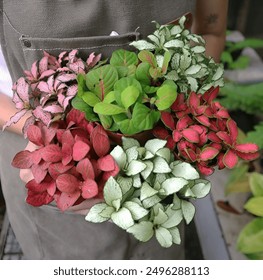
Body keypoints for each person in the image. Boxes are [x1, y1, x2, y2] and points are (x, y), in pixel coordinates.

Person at [0, 0, 229, 259]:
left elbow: (212, 31)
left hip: (162, 177)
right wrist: (37, 130)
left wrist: (187, 116)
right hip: (49, 166)